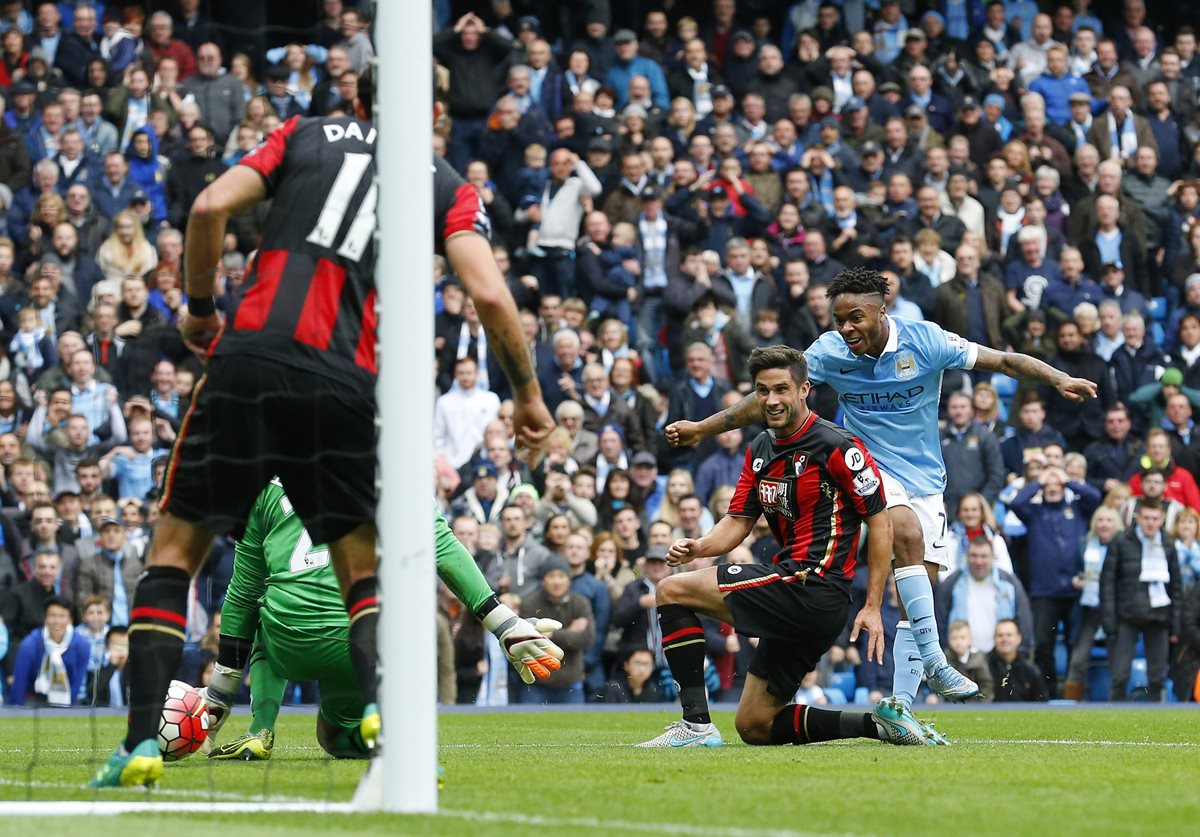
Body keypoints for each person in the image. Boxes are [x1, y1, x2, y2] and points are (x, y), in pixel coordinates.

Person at [88, 102, 559, 789]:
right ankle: (384, 720)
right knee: (361, 567)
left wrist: (197, 309)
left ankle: (138, 744)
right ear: (426, 107)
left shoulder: (303, 135)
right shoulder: (447, 182)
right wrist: (527, 393)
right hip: (343, 380)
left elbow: (209, 206)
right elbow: (487, 292)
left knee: (171, 556)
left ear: (359, 96)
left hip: (248, 359)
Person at [666, 268, 1097, 732]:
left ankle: (901, 708)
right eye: (838, 319)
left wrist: (1057, 378)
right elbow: (773, 395)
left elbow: (1005, 362)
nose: (846, 328)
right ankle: (936, 659)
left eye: (855, 318)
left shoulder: (927, 341)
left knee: (920, 594)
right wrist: (703, 428)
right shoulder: (829, 352)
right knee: (903, 527)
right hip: (867, 465)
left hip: (927, 479)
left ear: (881, 310)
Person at [640, 345, 939, 750]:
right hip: (793, 589)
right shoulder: (760, 449)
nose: (772, 400)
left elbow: (880, 522)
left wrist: (872, 605)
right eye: (762, 391)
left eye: (782, 389)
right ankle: (879, 725)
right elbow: (738, 523)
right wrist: (701, 546)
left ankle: (695, 725)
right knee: (755, 725)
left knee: (671, 591)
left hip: (812, 585)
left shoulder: (838, 447)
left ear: (804, 390)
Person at [1102, 499, 1182, 702]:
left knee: (1157, 677)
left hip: (1159, 614)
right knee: (1119, 675)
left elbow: (1176, 587)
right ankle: (1114, 719)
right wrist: (1109, 620)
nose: (1150, 523)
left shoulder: (1168, 544)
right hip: (1126, 614)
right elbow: (1108, 583)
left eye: (1155, 518)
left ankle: (1155, 722)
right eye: (1146, 518)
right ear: (1137, 518)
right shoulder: (1121, 541)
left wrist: (1176, 624)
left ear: (1162, 519)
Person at [8, 595, 90, 706]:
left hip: (67, 697)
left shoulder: (82, 645)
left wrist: (69, 711)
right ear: (45, 619)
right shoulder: (30, 644)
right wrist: (15, 713)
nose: (57, 621)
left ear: (70, 620)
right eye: (52, 616)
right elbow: (19, 682)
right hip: (35, 695)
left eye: (62, 616)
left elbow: (77, 682)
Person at [988, 619, 1047, 701]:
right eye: (1000, 635)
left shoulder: (1030, 670)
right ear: (994, 639)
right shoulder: (983, 667)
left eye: (1009, 635)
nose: (1004, 639)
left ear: (1019, 638)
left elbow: (1042, 702)